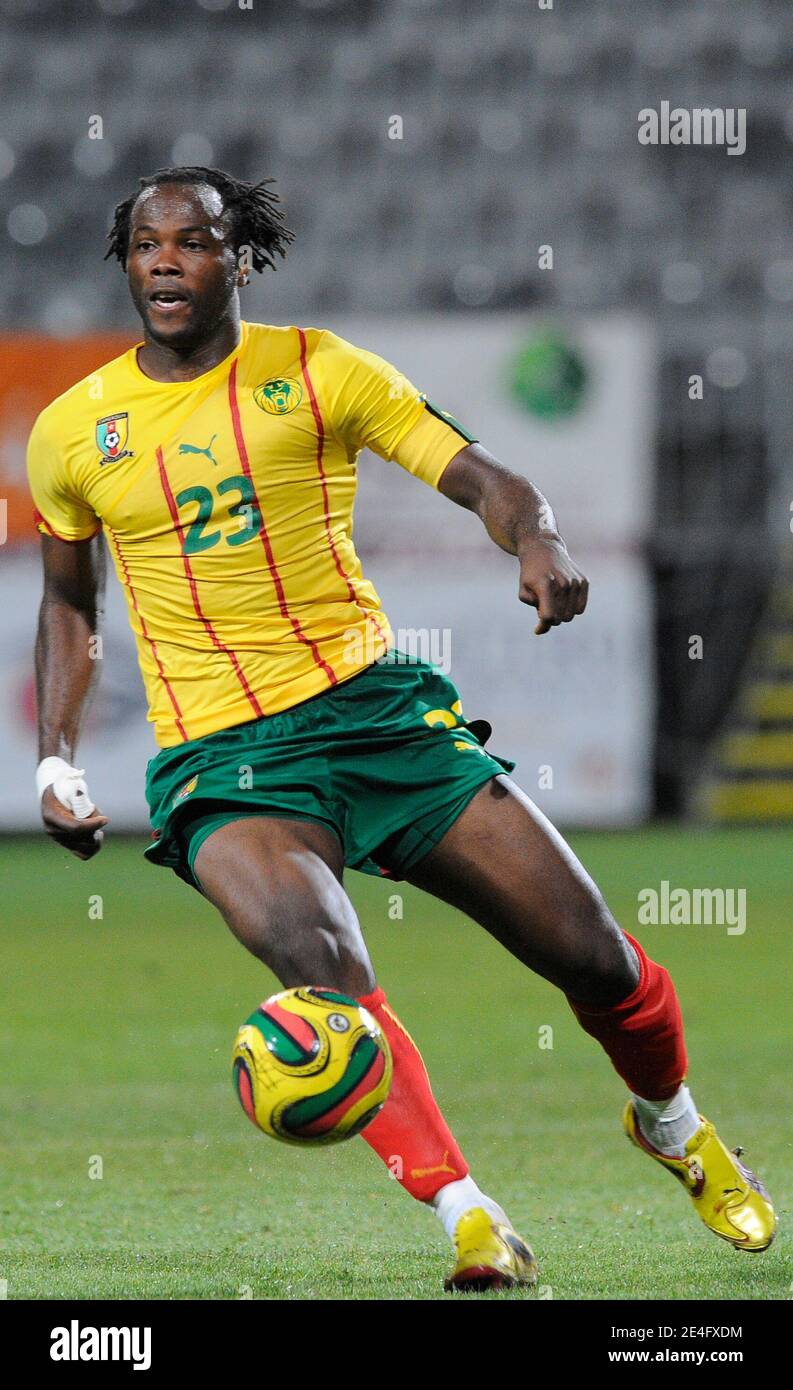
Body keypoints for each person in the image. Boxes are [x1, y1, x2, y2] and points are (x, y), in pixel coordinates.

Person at [27, 167, 776, 1293]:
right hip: (222, 759)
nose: (168, 261)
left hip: (376, 717)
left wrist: (536, 537)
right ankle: (470, 1219)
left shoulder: (319, 371)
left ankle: (671, 1125)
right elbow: (70, 604)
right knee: (324, 970)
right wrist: (57, 755)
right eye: (146, 245)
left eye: (194, 241)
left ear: (243, 258)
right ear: (126, 262)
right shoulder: (73, 432)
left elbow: (483, 475)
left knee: (596, 957)